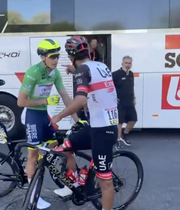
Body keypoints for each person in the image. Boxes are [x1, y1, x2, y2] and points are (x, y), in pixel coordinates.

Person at [51, 35, 118, 210]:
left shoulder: (83, 70)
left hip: (104, 131)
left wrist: (58, 117)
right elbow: (94, 80)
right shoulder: (100, 66)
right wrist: (74, 71)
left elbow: (80, 101)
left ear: (71, 55)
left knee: (105, 182)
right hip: (95, 126)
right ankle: (76, 181)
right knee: (65, 146)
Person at [17, 39, 78, 209]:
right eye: (52, 57)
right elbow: (21, 102)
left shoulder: (55, 73)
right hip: (33, 116)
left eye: (57, 56)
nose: (56, 60)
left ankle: (69, 184)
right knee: (33, 155)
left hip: (44, 116)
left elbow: (66, 98)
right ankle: (32, 196)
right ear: (43, 57)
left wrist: (78, 120)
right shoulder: (33, 72)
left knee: (61, 148)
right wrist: (45, 100)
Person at [112, 56, 137, 147]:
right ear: (122, 63)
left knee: (133, 120)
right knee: (120, 122)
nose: (128, 65)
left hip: (130, 101)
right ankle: (118, 140)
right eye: (126, 63)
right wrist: (113, 98)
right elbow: (110, 88)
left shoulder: (131, 74)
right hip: (120, 102)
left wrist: (134, 98)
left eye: (129, 63)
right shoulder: (115, 74)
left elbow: (131, 87)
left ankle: (124, 135)